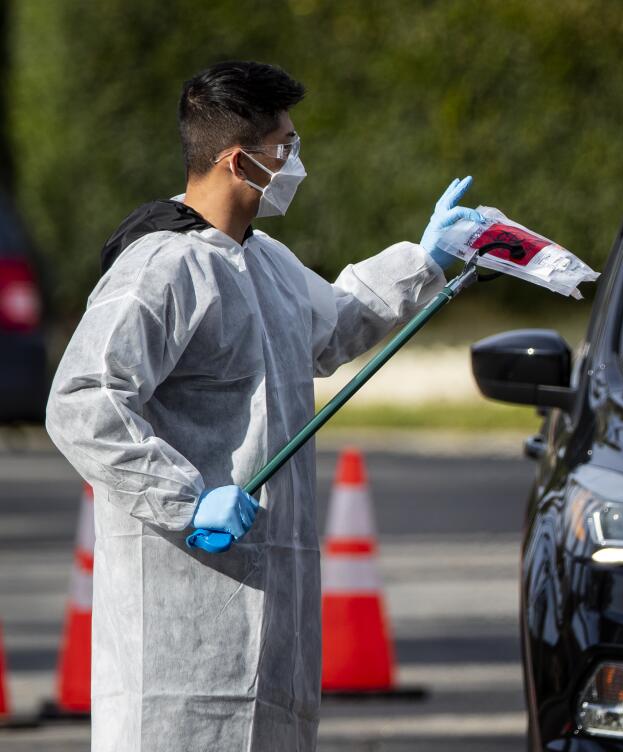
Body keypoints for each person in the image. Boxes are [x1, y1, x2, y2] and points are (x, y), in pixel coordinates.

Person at [44, 61, 480, 751]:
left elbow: (332, 328)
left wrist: (424, 260)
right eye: (285, 144)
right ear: (238, 160)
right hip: (179, 617)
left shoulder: (264, 260)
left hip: (275, 618)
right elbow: (81, 401)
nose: (295, 159)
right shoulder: (161, 269)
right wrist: (187, 499)